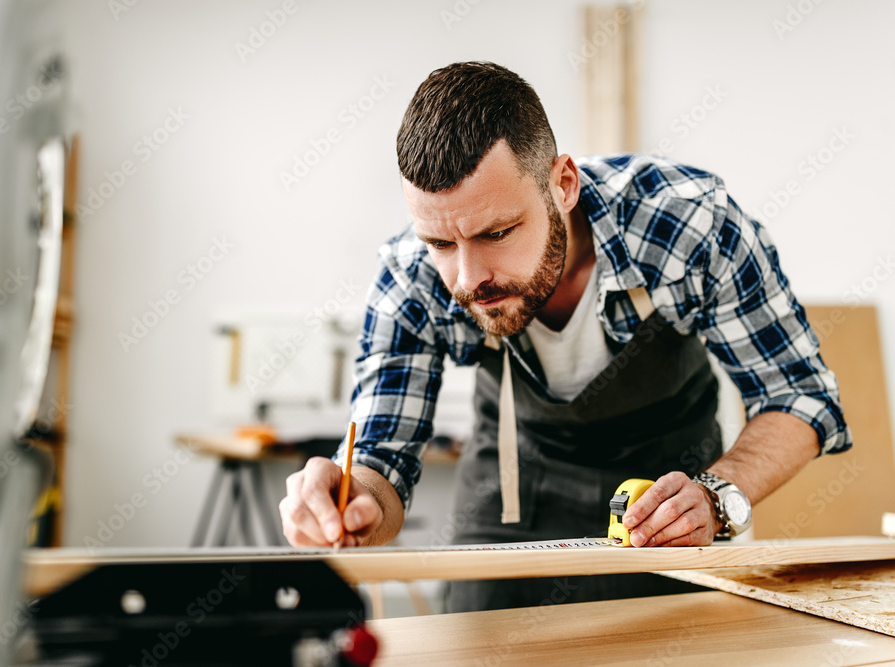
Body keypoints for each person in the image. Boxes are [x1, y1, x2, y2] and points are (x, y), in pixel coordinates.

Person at [278, 61, 851, 612]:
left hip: (669, 514)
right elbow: (381, 458)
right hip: (507, 510)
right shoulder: (411, 273)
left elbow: (798, 396)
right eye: (441, 244)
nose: (468, 278)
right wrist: (354, 506)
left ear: (564, 184)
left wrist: (714, 495)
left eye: (497, 232)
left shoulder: (688, 224)